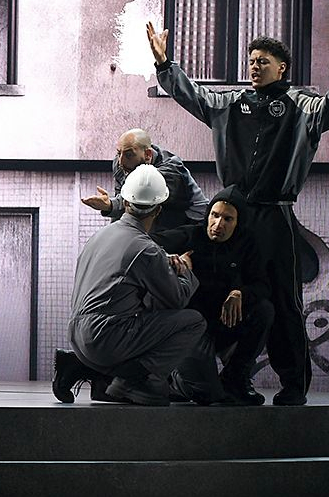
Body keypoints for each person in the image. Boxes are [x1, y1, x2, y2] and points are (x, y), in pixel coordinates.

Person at [148, 23, 329, 405]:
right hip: (235, 211)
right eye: (251, 61)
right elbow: (193, 95)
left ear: (282, 68)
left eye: (263, 61)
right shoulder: (231, 103)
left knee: (284, 302)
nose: (254, 66)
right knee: (213, 289)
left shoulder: (302, 105)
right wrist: (165, 65)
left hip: (275, 217)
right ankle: (221, 378)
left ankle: (293, 385)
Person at [53, 166, 206, 407]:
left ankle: (77, 365)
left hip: (77, 336)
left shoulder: (100, 236)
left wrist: (163, 259)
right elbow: (177, 298)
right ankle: (135, 381)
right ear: (159, 209)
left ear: (125, 202)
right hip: (103, 340)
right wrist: (186, 270)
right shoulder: (146, 249)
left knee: (138, 310)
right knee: (193, 321)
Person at [156, 187, 273, 406]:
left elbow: (263, 285)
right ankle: (176, 379)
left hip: (225, 321)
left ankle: (236, 378)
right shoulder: (191, 235)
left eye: (227, 219)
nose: (218, 225)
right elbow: (147, 242)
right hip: (193, 327)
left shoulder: (247, 243)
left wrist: (240, 293)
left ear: (238, 223)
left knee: (264, 310)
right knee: (207, 395)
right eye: (215, 215)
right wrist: (170, 258)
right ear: (208, 214)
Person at [80, 128, 209, 232]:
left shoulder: (171, 170)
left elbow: (138, 200)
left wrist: (110, 205)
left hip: (193, 222)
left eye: (129, 154)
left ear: (147, 155)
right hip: (159, 216)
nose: (121, 161)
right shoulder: (121, 163)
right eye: (119, 153)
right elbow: (123, 203)